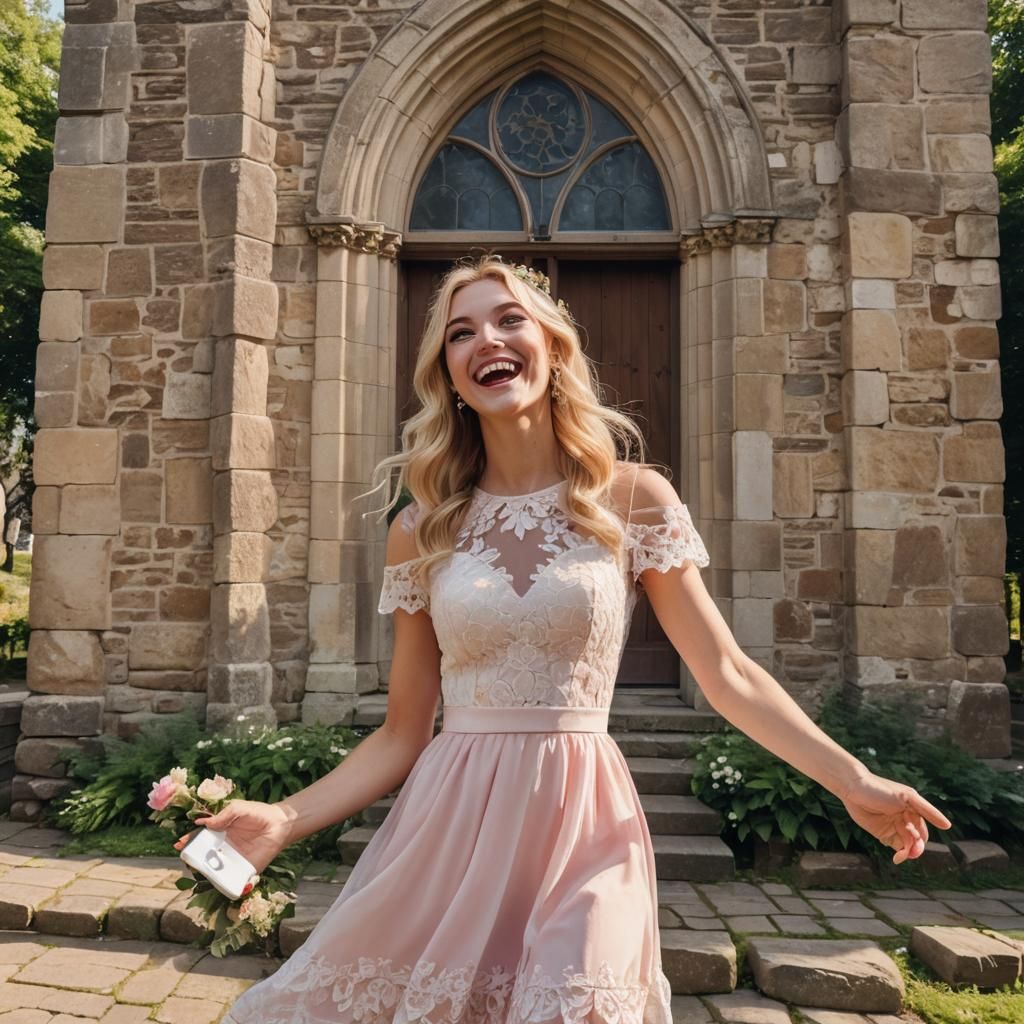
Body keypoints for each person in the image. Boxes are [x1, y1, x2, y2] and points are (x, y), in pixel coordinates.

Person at [178, 253, 952, 1024]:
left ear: (551, 345)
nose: (487, 338)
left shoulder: (633, 497)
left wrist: (853, 780)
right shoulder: (420, 530)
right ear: (448, 375)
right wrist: (284, 817)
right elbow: (402, 732)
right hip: (451, 829)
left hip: (587, 823)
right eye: (460, 332)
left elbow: (726, 672)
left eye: (509, 318)